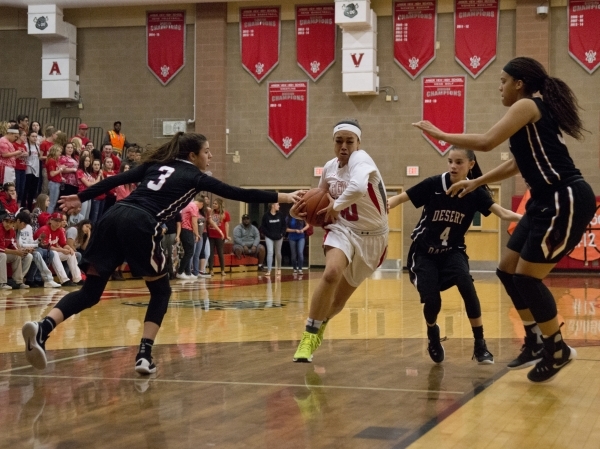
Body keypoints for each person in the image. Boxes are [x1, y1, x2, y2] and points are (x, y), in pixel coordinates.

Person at [21, 132, 302, 375]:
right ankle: (144, 354)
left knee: (91, 292)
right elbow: (240, 193)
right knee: (161, 292)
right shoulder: (195, 175)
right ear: (193, 155)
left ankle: (43, 327)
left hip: (113, 217)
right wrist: (285, 197)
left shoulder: (157, 164)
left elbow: (118, 178)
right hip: (141, 222)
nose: (211, 156)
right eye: (207, 152)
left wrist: (81, 197)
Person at [413, 56, 597, 383]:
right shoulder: (528, 115)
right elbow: (515, 164)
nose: (499, 88)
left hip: (563, 197)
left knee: (527, 277)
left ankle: (557, 348)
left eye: (502, 81)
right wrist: (477, 182)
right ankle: (534, 339)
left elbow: (485, 142)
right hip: (543, 200)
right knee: (507, 269)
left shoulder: (527, 105)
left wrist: (440, 132)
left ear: (519, 83)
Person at [387, 148, 522, 365]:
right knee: (432, 302)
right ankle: (432, 332)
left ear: (471, 164)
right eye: (450, 161)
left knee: (467, 285)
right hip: (424, 253)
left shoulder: (475, 191)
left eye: (459, 162)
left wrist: (527, 219)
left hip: (453, 251)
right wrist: (383, 206)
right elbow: (399, 199)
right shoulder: (434, 184)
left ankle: (480, 346)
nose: (452, 166)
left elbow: (503, 213)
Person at [291, 119, 388, 363]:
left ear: (358, 143)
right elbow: (318, 201)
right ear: (333, 143)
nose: (344, 146)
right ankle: (309, 334)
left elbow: (357, 188)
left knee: (337, 302)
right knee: (332, 273)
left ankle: (321, 324)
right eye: (338, 141)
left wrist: (337, 204)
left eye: (349, 141)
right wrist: (299, 212)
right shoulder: (329, 167)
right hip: (342, 228)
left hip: (373, 238)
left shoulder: (362, 160)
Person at [34, 212, 83, 287]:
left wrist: (69, 249)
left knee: (70, 254)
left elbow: (63, 244)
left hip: (53, 251)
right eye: (56, 220)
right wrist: (62, 250)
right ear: (50, 220)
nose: (58, 223)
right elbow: (46, 246)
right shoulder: (44, 229)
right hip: (41, 251)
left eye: (59, 221)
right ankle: (64, 280)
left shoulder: (60, 230)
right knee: (54, 253)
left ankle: (77, 279)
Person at [16, 211, 61, 288]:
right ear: (18, 221)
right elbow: (19, 244)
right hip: (17, 250)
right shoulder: (15, 229)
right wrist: (32, 246)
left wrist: (38, 241)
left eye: (26, 225)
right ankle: (20, 280)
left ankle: (47, 280)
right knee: (36, 254)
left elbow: (30, 241)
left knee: (40, 253)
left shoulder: (27, 227)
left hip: (23, 248)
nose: (24, 226)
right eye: (24, 224)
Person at [0, 213, 32, 290]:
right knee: (2, 255)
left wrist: (21, 251)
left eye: (11, 222)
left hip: (3, 253)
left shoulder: (11, 231)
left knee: (17, 256)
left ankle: (18, 281)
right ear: (2, 221)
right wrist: (16, 252)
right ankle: (2, 283)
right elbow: (1, 249)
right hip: (1, 253)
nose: (8, 224)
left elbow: (13, 246)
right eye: (6, 221)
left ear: (14, 223)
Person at [261, 203, 286, 277]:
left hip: (279, 236)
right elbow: (263, 227)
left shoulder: (280, 215)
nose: (279, 206)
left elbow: (284, 225)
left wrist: (282, 234)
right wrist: (268, 234)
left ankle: (279, 268)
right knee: (270, 252)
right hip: (269, 236)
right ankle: (269, 270)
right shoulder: (266, 216)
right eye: (277, 205)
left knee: (278, 252)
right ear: (272, 206)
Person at [207, 197, 230, 276]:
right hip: (211, 234)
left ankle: (223, 270)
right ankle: (211, 269)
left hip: (220, 235)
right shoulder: (210, 212)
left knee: (220, 252)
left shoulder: (225, 213)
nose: (214, 205)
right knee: (211, 252)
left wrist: (227, 235)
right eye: (213, 203)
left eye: (216, 204)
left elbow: (226, 225)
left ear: (219, 205)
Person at [22, 130, 41, 210]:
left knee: (33, 190)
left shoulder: (37, 146)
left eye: (36, 136)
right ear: (28, 137)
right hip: (28, 169)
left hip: (36, 170)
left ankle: (30, 207)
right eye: (33, 136)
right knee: (26, 189)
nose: (34, 138)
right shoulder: (25, 145)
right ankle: (23, 206)